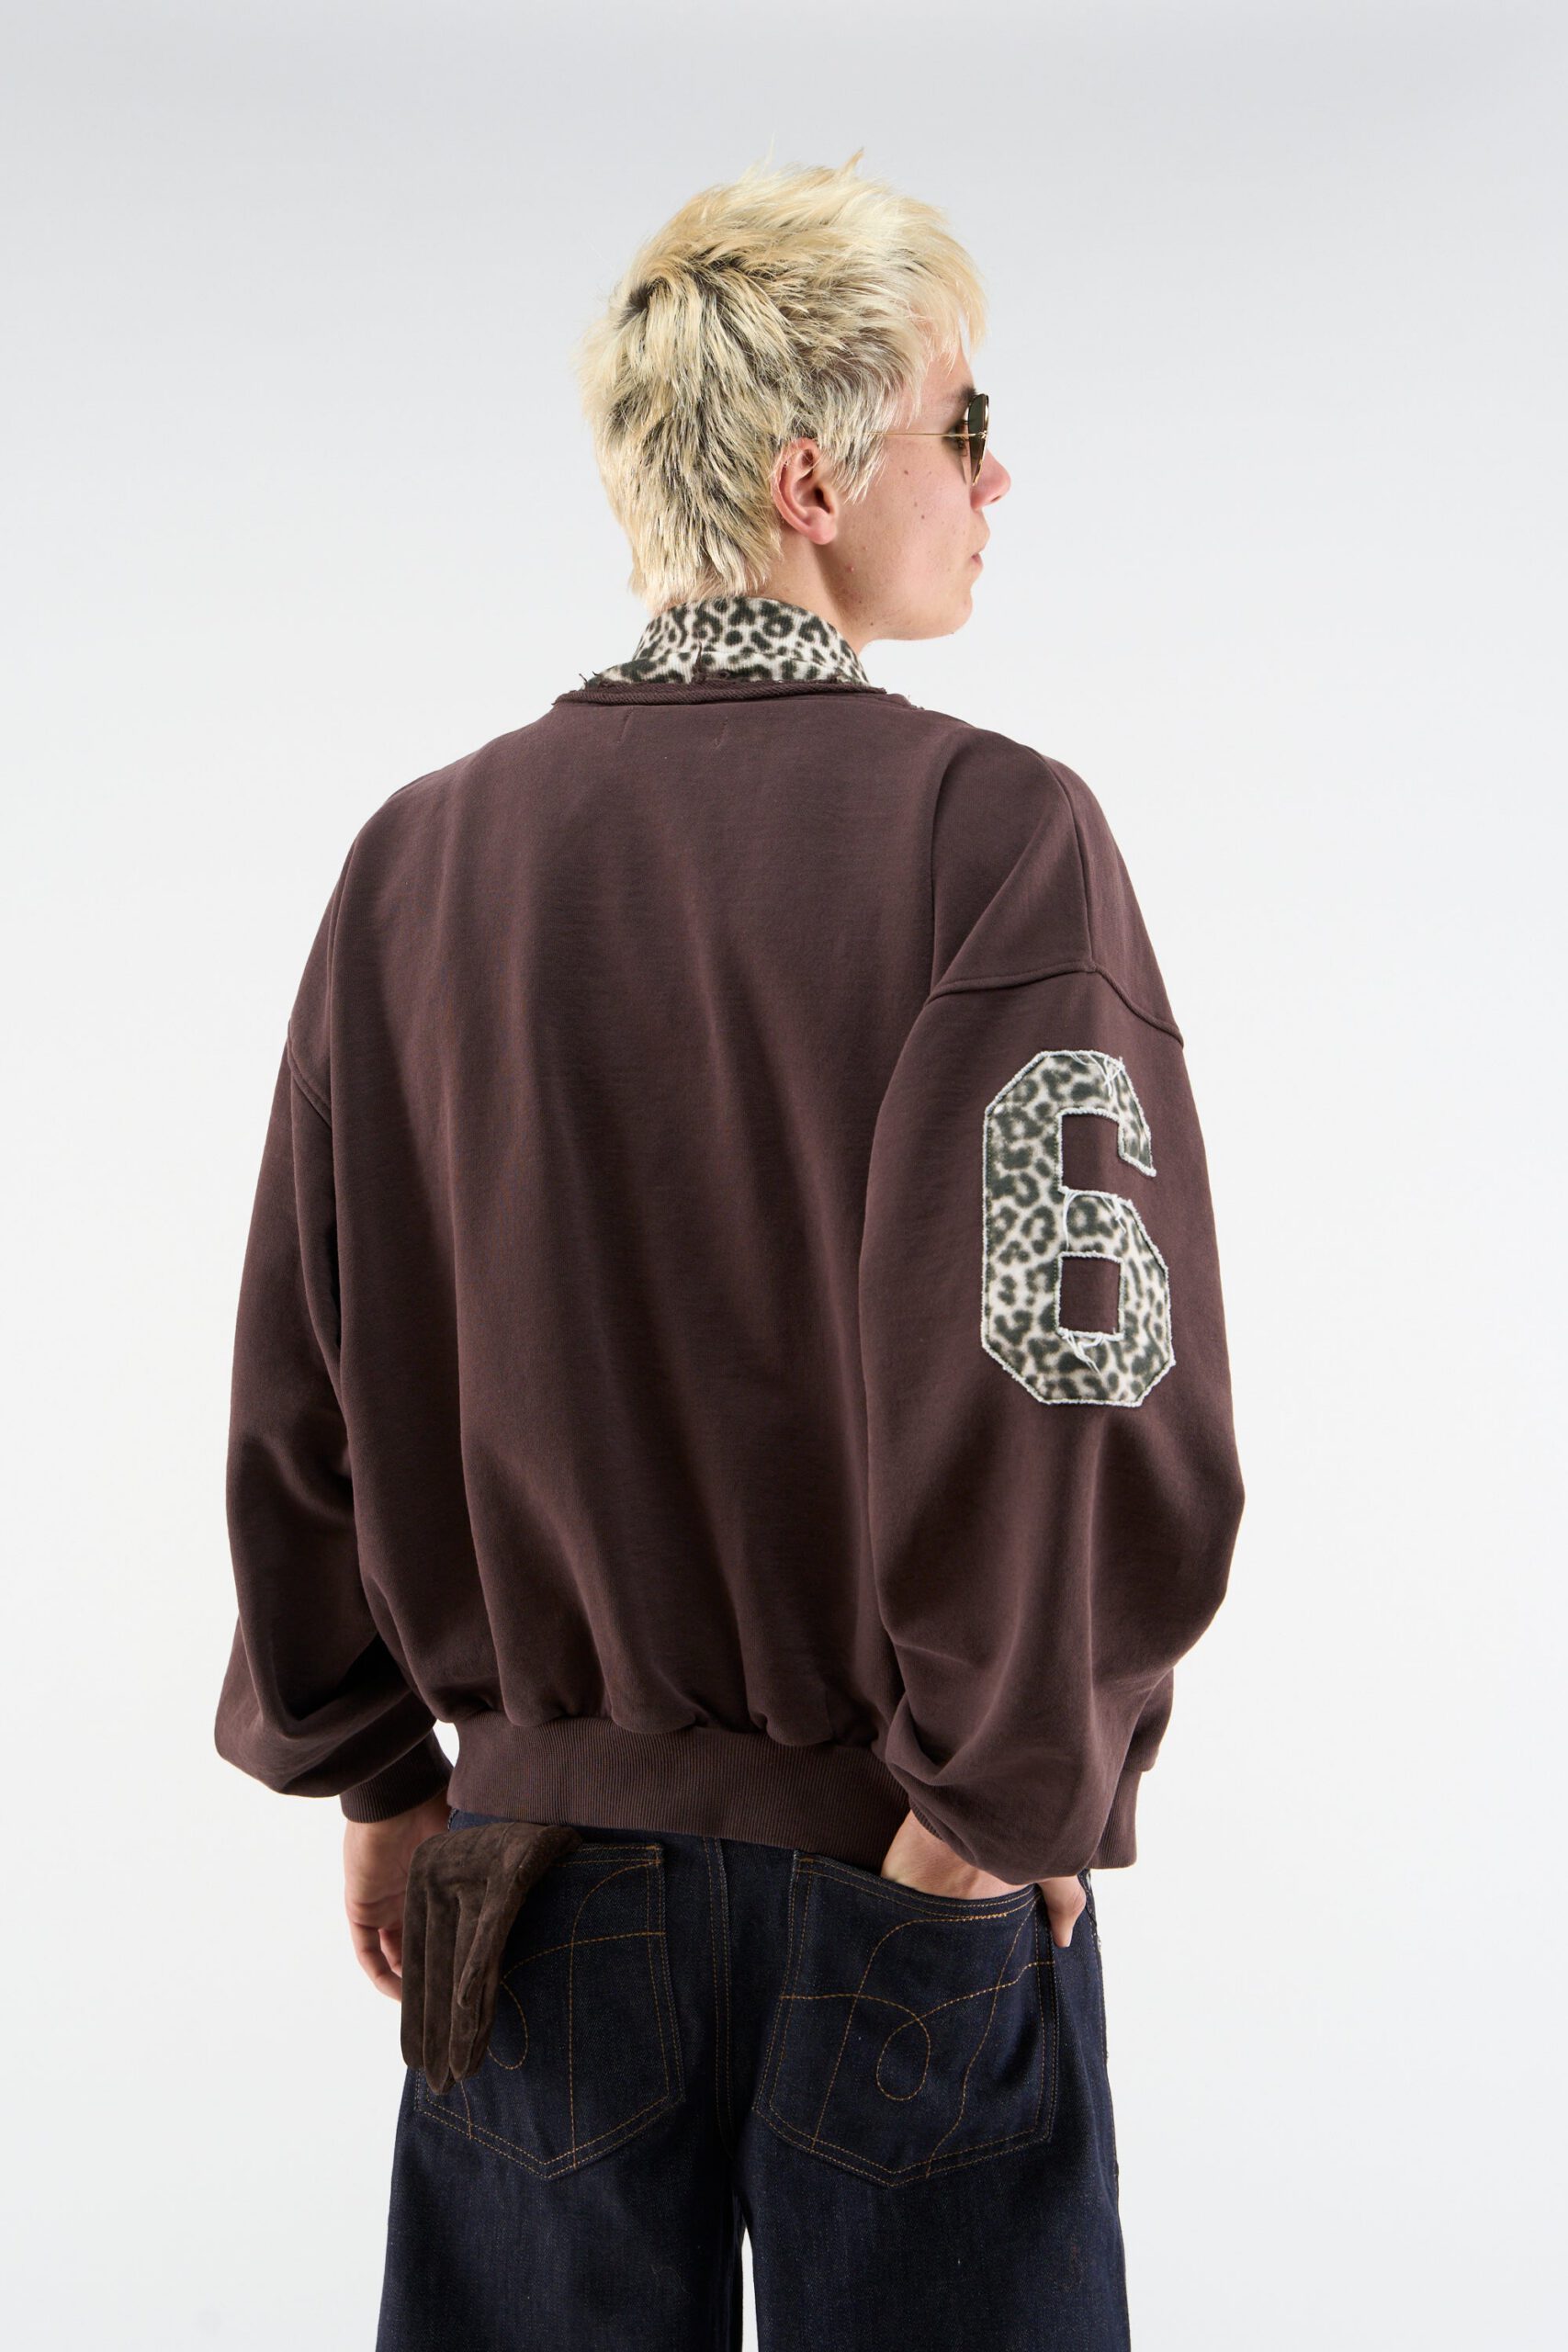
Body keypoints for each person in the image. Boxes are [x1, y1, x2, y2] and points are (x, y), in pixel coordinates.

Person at [214, 151, 1245, 2350]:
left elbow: (304, 1370)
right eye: (963, 426)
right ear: (811, 478)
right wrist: (999, 1795)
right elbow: (1070, 1354)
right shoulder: (990, 834)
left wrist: (383, 1767)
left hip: (531, 1870)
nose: (993, 478)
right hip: (903, 1863)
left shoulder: (418, 861)